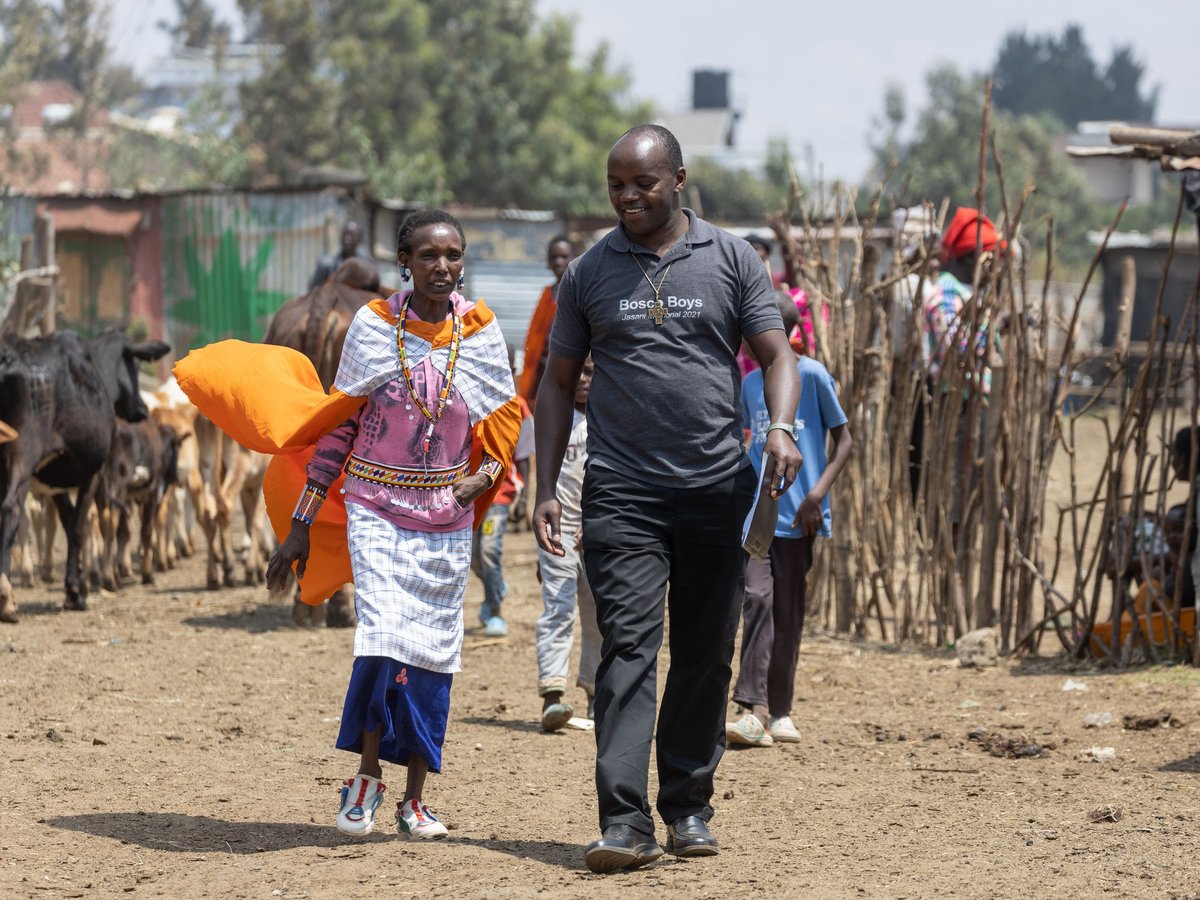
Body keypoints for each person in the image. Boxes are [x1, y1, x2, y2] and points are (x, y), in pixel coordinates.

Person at [179, 209, 521, 841]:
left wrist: (486, 477)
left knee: (434, 656)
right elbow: (340, 426)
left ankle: (416, 799)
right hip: (373, 509)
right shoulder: (373, 326)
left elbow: (502, 425)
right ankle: (364, 780)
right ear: (404, 263)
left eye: (453, 255)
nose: (442, 267)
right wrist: (302, 523)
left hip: (446, 516)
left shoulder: (480, 331)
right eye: (428, 256)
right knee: (381, 643)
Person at [532, 124, 802, 874]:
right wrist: (550, 484)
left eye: (642, 183)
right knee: (627, 649)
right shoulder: (588, 273)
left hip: (717, 487)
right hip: (622, 490)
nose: (627, 197)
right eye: (616, 184)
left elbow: (777, 356)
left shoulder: (730, 259)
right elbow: (556, 387)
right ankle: (624, 823)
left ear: (678, 179)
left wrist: (779, 427)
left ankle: (687, 806)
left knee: (705, 654)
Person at [727, 296, 853, 747]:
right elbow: (746, 444)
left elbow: (844, 442)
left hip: (801, 515)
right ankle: (750, 708)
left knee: (788, 612)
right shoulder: (749, 384)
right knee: (757, 599)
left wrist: (817, 496)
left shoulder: (813, 376)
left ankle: (780, 710)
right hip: (759, 515)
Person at [535, 355, 600, 732]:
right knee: (557, 608)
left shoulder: (608, 420)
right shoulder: (553, 419)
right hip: (558, 530)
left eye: (590, 372)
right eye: (576, 373)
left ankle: (594, 692)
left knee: (597, 613)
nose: (582, 380)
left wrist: (598, 521)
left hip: (598, 530)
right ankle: (553, 696)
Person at [471, 374, 534, 638]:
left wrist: (525, 496)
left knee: (488, 551)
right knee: (472, 559)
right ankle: (496, 587)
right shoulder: (468, 399)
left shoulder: (515, 404)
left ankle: (495, 611)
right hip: (466, 495)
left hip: (499, 492)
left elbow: (524, 453)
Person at [519, 235, 578, 406]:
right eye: (554, 257)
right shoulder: (548, 294)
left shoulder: (583, 290)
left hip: (572, 373)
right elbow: (535, 338)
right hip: (544, 372)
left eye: (564, 256)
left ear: (575, 257)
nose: (559, 262)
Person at [309, 221, 373, 290]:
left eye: (353, 235)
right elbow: (313, 290)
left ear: (360, 239)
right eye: (345, 234)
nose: (347, 239)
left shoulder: (367, 264)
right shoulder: (326, 264)